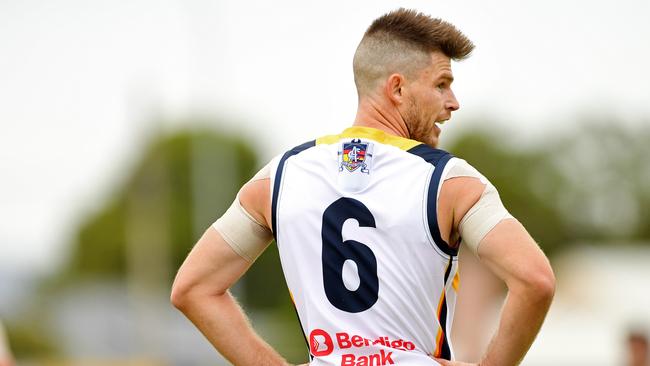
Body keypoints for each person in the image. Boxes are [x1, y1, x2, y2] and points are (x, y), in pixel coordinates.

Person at [171, 8, 555, 366]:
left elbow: (193, 289)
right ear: (398, 89)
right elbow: (534, 280)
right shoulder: (449, 181)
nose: (453, 102)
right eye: (441, 84)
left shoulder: (278, 177)